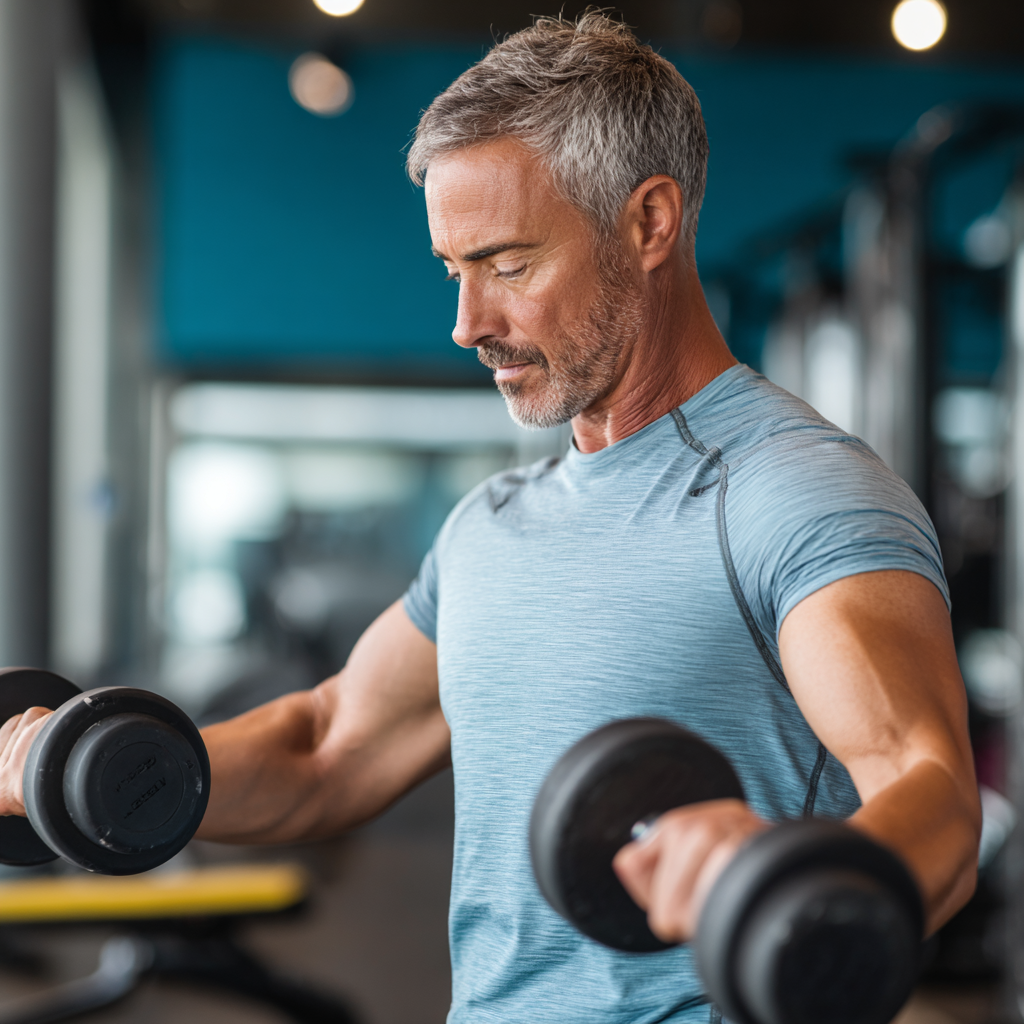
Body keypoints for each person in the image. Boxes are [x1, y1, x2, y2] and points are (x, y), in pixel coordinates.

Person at [0, 13, 980, 1024]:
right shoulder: (490, 525)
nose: (467, 324)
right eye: (451, 269)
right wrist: (77, 764)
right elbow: (326, 747)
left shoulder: (792, 492)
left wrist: (782, 864)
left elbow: (928, 788)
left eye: (507, 264)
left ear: (649, 222)